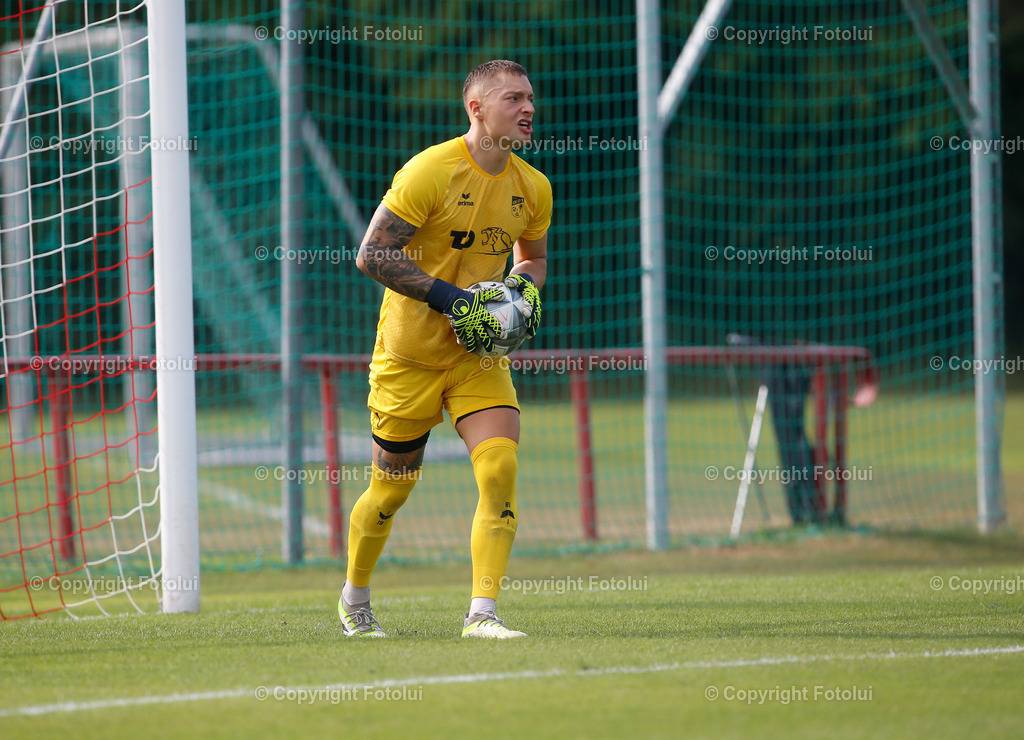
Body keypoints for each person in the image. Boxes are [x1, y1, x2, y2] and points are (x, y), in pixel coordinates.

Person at [339, 60, 552, 639]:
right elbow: (372, 255)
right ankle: (355, 596)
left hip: (476, 358)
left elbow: (531, 259)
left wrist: (521, 294)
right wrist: (457, 301)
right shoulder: (430, 170)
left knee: (501, 466)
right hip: (407, 357)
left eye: (531, 98)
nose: (529, 108)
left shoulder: (533, 187)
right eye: (514, 99)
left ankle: (482, 614)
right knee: (392, 489)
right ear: (477, 109)